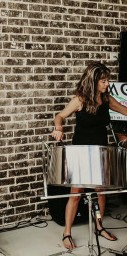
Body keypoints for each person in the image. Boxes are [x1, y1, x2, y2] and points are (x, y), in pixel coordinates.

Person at [52, 61, 127, 250]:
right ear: (93, 81)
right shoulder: (80, 100)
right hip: (81, 151)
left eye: (107, 80)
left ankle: (99, 227)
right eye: (103, 81)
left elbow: (125, 110)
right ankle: (67, 232)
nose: (107, 84)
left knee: (101, 193)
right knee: (76, 194)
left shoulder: (107, 100)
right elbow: (59, 116)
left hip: (100, 151)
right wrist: (58, 127)